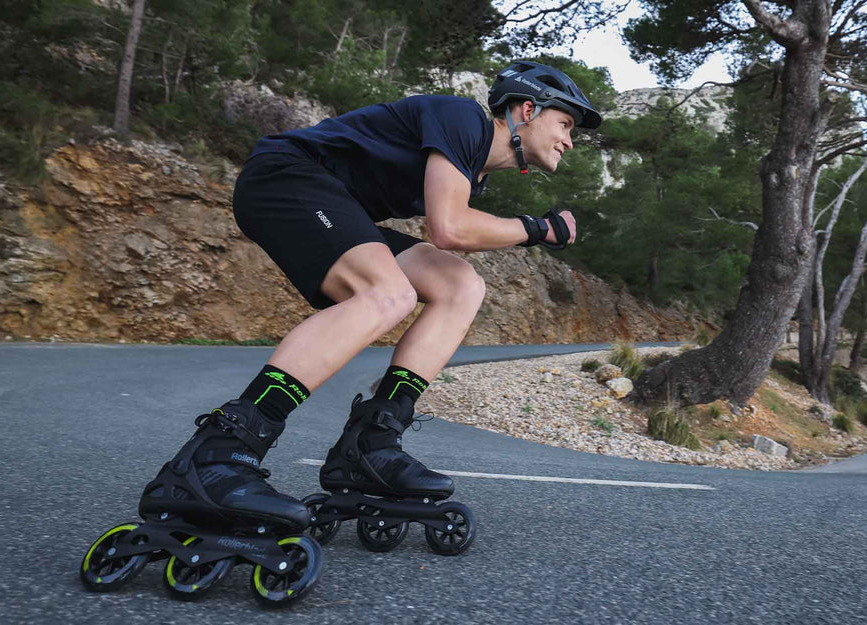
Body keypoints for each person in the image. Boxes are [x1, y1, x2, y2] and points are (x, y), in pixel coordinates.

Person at [135, 61, 603, 537]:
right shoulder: (464, 120)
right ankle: (218, 456)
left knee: (460, 284)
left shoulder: (472, 166)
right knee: (387, 293)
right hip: (286, 176)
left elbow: (454, 231)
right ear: (527, 109)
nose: (569, 140)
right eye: (565, 124)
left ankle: (370, 445)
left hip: (328, 199)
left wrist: (531, 231)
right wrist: (538, 229)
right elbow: (449, 228)